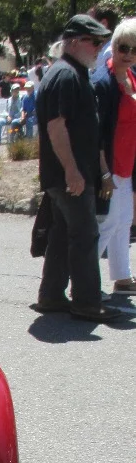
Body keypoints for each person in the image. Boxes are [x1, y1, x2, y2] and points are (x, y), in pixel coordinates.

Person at [34, 13, 119, 321]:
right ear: (72, 42)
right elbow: (56, 126)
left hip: (68, 174)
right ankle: (87, 301)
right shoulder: (65, 75)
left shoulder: (71, 73)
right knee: (84, 236)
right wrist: (72, 170)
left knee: (62, 235)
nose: (98, 48)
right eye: (93, 41)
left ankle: (51, 295)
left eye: (100, 42)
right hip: (69, 175)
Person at [92, 16, 136, 296]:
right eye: (123, 47)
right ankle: (85, 282)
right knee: (107, 223)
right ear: (114, 46)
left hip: (127, 163)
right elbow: (97, 133)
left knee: (123, 221)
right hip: (109, 164)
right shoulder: (103, 82)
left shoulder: (131, 76)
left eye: (134, 49)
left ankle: (122, 277)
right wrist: (104, 172)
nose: (128, 54)